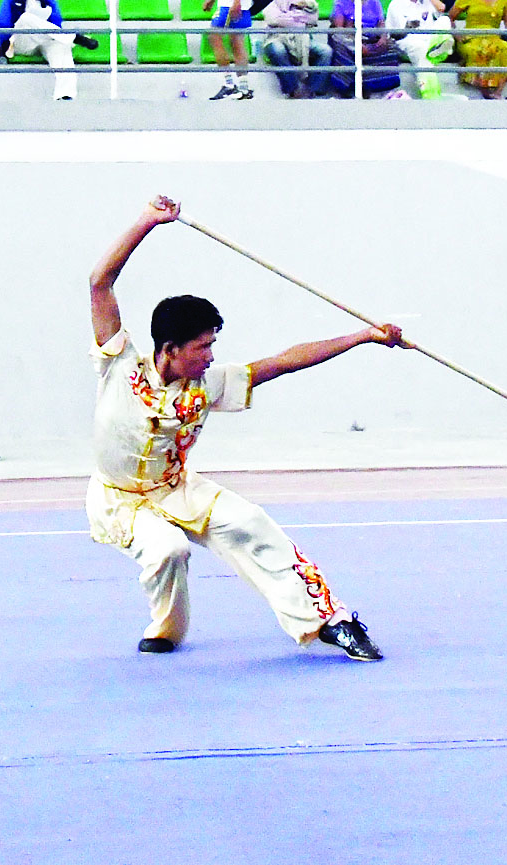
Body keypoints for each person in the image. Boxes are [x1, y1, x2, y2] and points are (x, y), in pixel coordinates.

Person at [85, 196, 407, 660]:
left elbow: (284, 362)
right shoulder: (119, 363)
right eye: (202, 347)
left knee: (251, 522)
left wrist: (363, 336)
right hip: (118, 498)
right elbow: (100, 282)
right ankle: (167, 628)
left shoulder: (209, 384)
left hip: (176, 488)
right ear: (170, 348)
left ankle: (329, 621)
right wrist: (147, 222)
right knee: (169, 550)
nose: (211, 356)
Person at [0, 0, 99, 100]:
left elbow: (57, 24)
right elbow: (4, 25)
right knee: (26, 18)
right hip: (21, 41)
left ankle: (65, 94)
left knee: (61, 45)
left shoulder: (48, 1)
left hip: (44, 39)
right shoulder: (10, 1)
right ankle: (74, 37)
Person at [447, 0, 507, 99]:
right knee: (480, 50)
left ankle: (498, 92)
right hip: (471, 38)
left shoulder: (505, 1)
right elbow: (449, 18)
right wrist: (457, 36)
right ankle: (485, 91)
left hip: (493, 38)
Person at [328, 0, 401, 97]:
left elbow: (381, 23)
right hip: (349, 37)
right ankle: (348, 88)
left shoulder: (374, 2)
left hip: (370, 37)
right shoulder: (340, 2)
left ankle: (376, 86)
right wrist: (357, 43)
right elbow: (339, 29)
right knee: (342, 48)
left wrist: (383, 37)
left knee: (390, 47)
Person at [384, 0, 454, 99]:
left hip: (428, 39)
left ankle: (437, 48)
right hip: (407, 41)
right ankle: (431, 97)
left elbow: (442, 8)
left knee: (445, 20)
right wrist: (409, 26)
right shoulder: (396, 4)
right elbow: (397, 34)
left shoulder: (428, 2)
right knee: (422, 53)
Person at [262, 0, 332, 98]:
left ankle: (314, 90)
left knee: (325, 50)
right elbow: (273, 20)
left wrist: (288, 18)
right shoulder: (273, 3)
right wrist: (300, 20)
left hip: (304, 40)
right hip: (276, 38)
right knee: (278, 50)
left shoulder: (309, 3)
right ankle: (293, 90)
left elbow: (313, 19)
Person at [203, 0, 254, 99]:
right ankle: (243, 86)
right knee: (237, 42)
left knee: (215, 37)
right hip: (240, 6)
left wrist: (236, 2)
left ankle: (229, 84)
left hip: (229, 6)